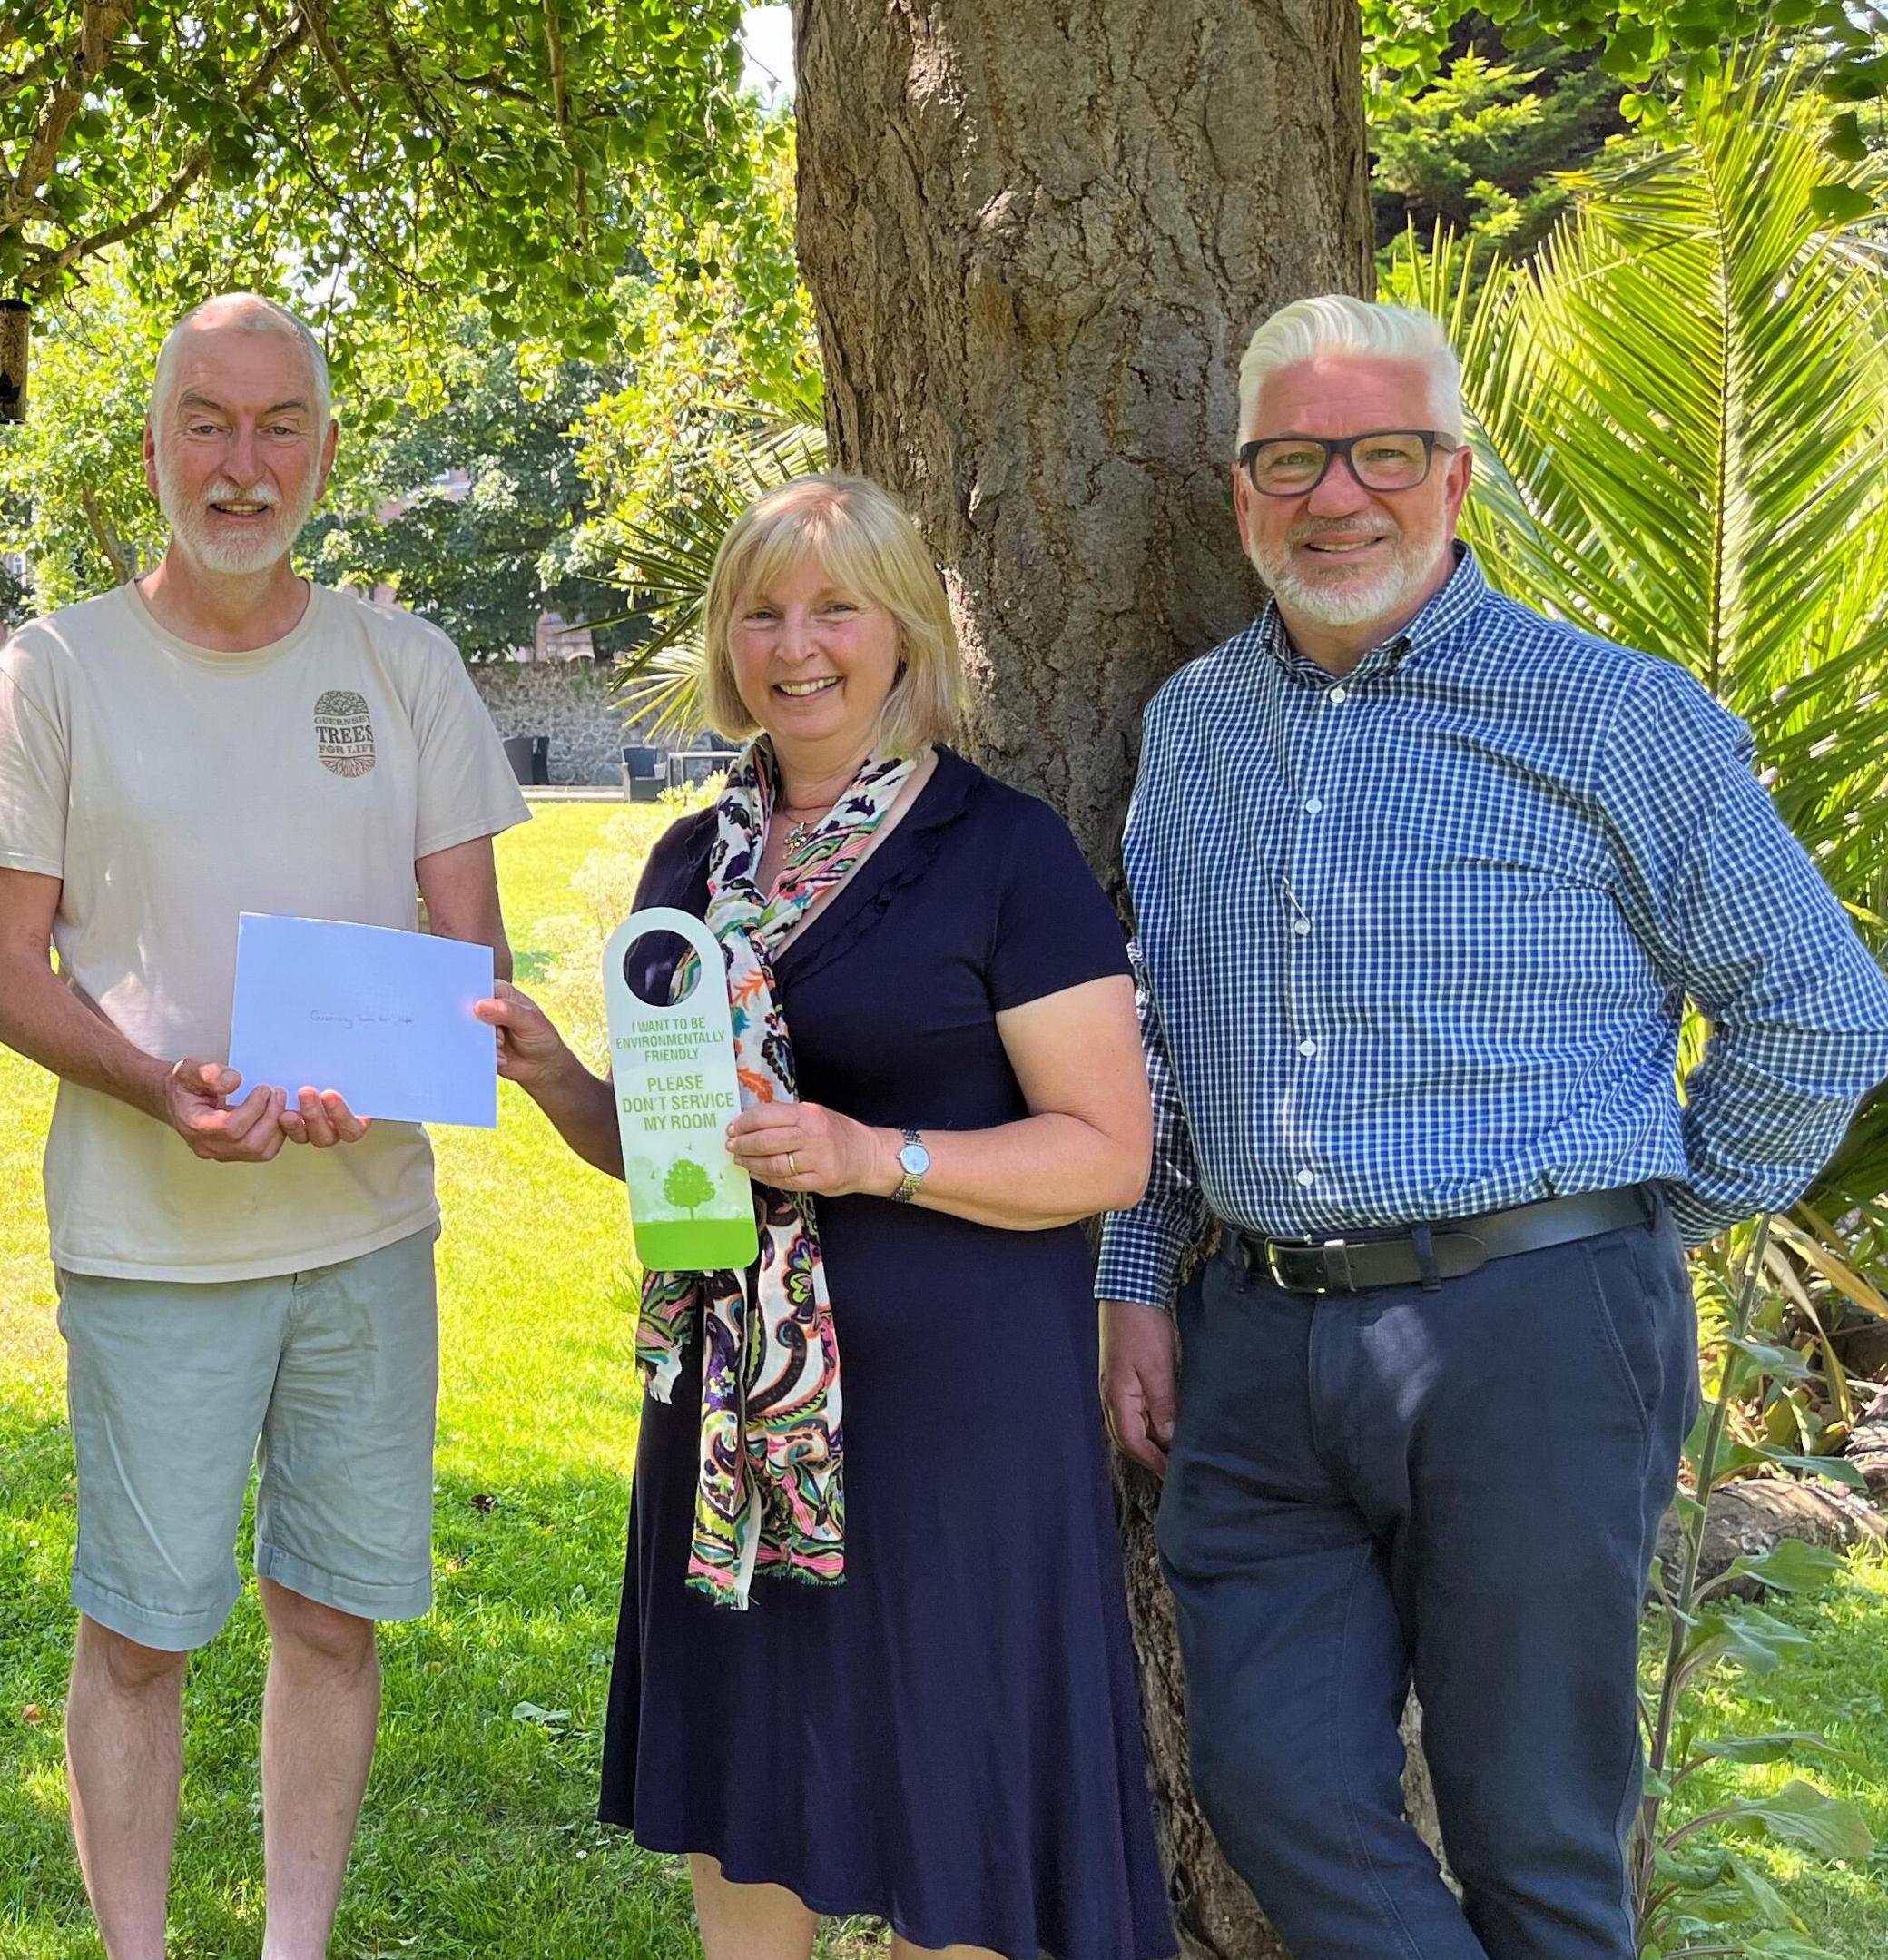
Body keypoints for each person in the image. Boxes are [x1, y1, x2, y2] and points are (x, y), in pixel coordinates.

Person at [1094, 295, 1888, 1960]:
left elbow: (1822, 1008)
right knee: (1275, 1787)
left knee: (1536, 1835)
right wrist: (1135, 1276)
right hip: (1253, 1342)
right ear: (1242, 491)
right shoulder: (1189, 726)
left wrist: (1636, 1228)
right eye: (1294, 459)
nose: (1338, 496)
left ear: (1456, 478)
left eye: (1385, 454)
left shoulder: (1609, 712)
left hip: (1534, 1333)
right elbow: (1145, 1036)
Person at [481, 474, 1175, 1960]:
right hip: (735, 1414)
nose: (796, 644)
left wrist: (879, 1157)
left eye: (834, 607)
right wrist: (557, 1083)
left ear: (905, 629)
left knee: (951, 1795)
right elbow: (686, 1159)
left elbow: (1110, 1150)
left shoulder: (1001, 850)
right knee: (749, 1786)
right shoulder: (692, 868)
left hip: (953, 1419)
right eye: (762, 611)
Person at [0, 292, 526, 1957]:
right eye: (208, 422)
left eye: (279, 428)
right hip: (148, 1242)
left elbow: (467, 959)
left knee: (331, 1622)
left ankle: (293, 1946)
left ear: (329, 453)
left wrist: (393, 1067)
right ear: (152, 450)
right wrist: (159, 1083)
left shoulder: (403, 666)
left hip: (363, 1230)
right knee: (140, 1633)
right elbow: (3, 972)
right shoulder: (55, 667)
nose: (243, 464)